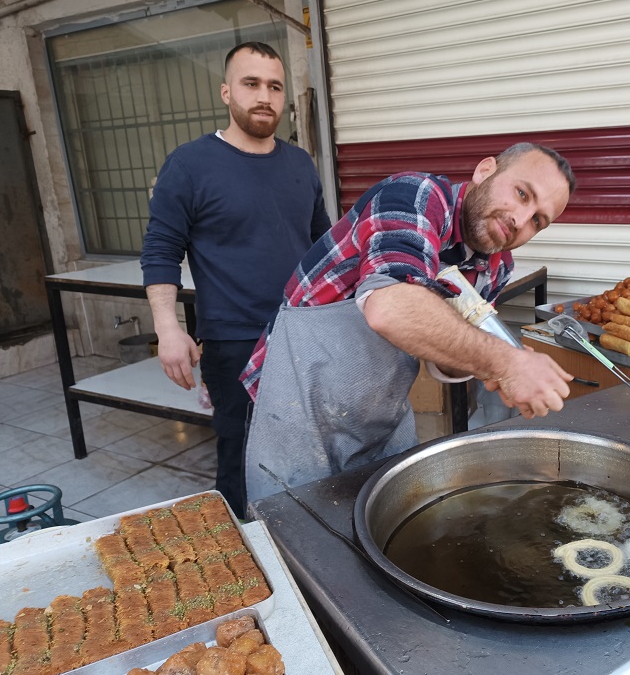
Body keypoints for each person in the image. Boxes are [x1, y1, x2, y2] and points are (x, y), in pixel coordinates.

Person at [240, 142, 576, 502]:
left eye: (538, 221)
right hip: (294, 409)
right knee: (290, 536)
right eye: (522, 194)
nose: (521, 221)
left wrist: (493, 366)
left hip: (376, 415)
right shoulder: (415, 196)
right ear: (485, 170)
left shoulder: (497, 265)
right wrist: (507, 362)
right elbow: (390, 307)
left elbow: (444, 359)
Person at [140, 41, 332, 518]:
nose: (263, 96)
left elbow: (323, 246)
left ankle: (302, 547)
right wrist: (168, 329)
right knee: (242, 453)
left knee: (310, 446)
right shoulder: (189, 165)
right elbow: (161, 250)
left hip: (303, 332)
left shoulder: (300, 164)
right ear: (227, 92)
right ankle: (244, 550)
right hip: (234, 341)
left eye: (274, 86)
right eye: (251, 84)